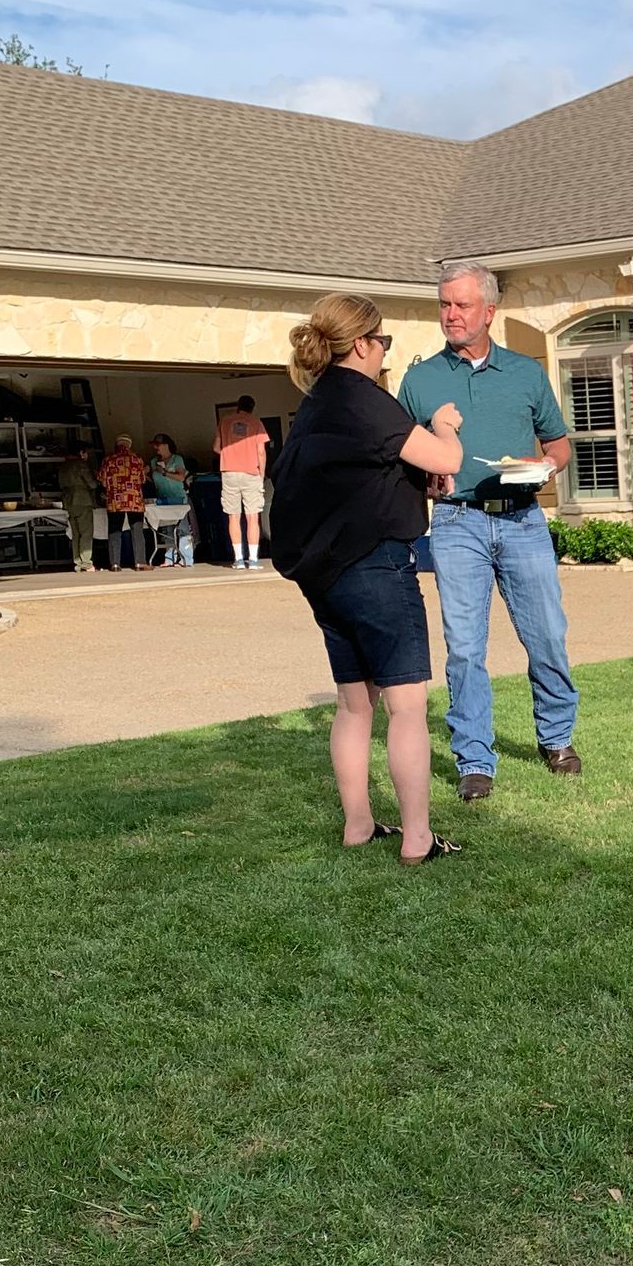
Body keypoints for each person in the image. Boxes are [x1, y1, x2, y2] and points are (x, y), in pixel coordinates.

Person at [267, 293, 464, 865]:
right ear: (361, 344)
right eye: (383, 342)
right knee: (407, 706)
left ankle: (358, 825)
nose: (384, 352)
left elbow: (362, 473)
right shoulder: (364, 398)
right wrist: (444, 427)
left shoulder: (317, 404)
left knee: (355, 706)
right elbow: (445, 459)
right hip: (376, 567)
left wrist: (415, 481)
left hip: (325, 577)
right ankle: (417, 838)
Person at [397, 260, 578, 803]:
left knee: (546, 634)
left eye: (462, 304)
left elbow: (559, 446)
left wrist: (546, 466)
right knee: (464, 647)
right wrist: (425, 477)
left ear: (489, 311)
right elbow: (402, 457)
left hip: (523, 519)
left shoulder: (526, 372)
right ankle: (475, 759)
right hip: (457, 523)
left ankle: (557, 738)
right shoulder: (419, 380)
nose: (451, 314)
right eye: (444, 304)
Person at [215, 394, 270, 570]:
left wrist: (230, 455)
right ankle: (253, 560)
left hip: (229, 472)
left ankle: (238, 559)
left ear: (238, 406)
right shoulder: (256, 422)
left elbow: (216, 447)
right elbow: (261, 452)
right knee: (252, 516)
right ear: (252, 408)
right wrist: (261, 474)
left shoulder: (225, 421)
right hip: (251, 473)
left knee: (233, 516)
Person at [98, 435, 150, 572]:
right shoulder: (137, 459)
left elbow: (102, 480)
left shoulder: (108, 459)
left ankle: (115, 563)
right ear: (129, 445)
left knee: (115, 530)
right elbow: (142, 479)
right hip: (134, 500)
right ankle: (140, 562)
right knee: (137, 530)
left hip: (115, 500)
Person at [147, 433, 195, 567]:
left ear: (166, 445)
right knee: (167, 529)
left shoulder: (177, 459)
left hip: (178, 499)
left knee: (182, 529)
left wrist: (164, 472)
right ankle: (169, 558)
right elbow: (153, 480)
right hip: (163, 499)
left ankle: (186, 558)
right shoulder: (153, 461)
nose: (155, 448)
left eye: (158, 445)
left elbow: (181, 477)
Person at [57, 446, 98, 572]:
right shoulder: (81, 465)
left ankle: (78, 562)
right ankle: (86, 562)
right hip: (83, 500)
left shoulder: (63, 467)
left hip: (68, 502)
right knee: (86, 532)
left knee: (76, 534)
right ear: (81, 453)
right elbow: (92, 484)